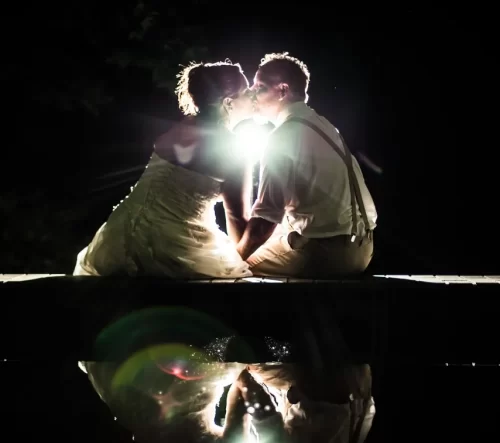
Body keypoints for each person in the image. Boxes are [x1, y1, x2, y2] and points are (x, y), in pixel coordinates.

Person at [74, 61, 254, 278]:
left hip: (119, 239)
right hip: (172, 247)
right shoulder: (232, 148)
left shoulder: (180, 128)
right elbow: (236, 217)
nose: (252, 96)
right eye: (246, 91)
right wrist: (241, 259)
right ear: (228, 102)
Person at [236, 52, 378, 278]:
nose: (252, 95)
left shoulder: (283, 135)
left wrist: (235, 258)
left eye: (260, 88)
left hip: (327, 255)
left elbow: (264, 222)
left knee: (239, 267)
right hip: (364, 249)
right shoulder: (325, 126)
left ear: (282, 90)